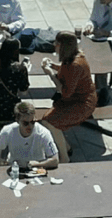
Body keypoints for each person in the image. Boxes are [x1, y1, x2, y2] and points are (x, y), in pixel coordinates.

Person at [0, 98, 61, 218]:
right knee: (13, 198)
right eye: (26, 123)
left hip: (36, 170)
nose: (30, 126)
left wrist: (37, 164)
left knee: (48, 197)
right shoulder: (8, 131)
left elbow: (55, 159)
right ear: (17, 121)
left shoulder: (43, 133)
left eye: (33, 122)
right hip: (16, 169)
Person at [39, 32, 97, 163]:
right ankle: (66, 147)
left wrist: (50, 74)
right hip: (76, 99)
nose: (54, 45)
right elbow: (66, 70)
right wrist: (53, 66)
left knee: (49, 122)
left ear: (63, 46)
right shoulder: (75, 57)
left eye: (57, 43)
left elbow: (65, 92)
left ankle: (64, 157)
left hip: (82, 103)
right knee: (47, 119)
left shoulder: (75, 64)